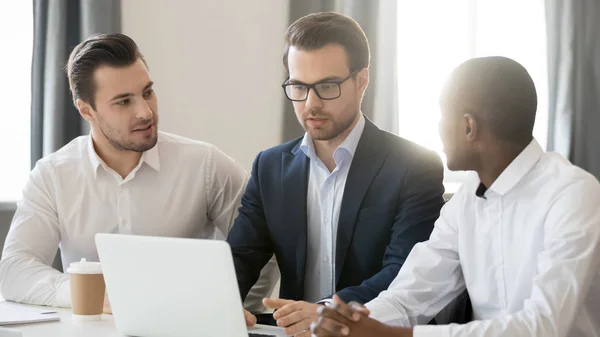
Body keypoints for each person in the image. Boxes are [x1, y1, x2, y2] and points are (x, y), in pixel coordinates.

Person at [311, 56, 600, 337]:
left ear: (468, 127)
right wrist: (349, 324)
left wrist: (393, 336)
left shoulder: (573, 194)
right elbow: (409, 296)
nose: (438, 128)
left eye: (442, 115)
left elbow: (542, 327)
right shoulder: (465, 202)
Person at [0, 33, 277, 313]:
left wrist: (225, 310)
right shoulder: (53, 175)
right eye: (123, 102)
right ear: (87, 111)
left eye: (147, 92)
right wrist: (96, 296)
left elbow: (263, 252)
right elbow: (15, 269)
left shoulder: (206, 165)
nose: (145, 112)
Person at [227, 12, 445, 336]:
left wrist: (326, 313)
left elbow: (404, 274)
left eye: (327, 86)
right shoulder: (270, 168)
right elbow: (238, 258)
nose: (310, 103)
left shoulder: (414, 167)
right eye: (299, 87)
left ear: (362, 81)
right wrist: (218, 301)